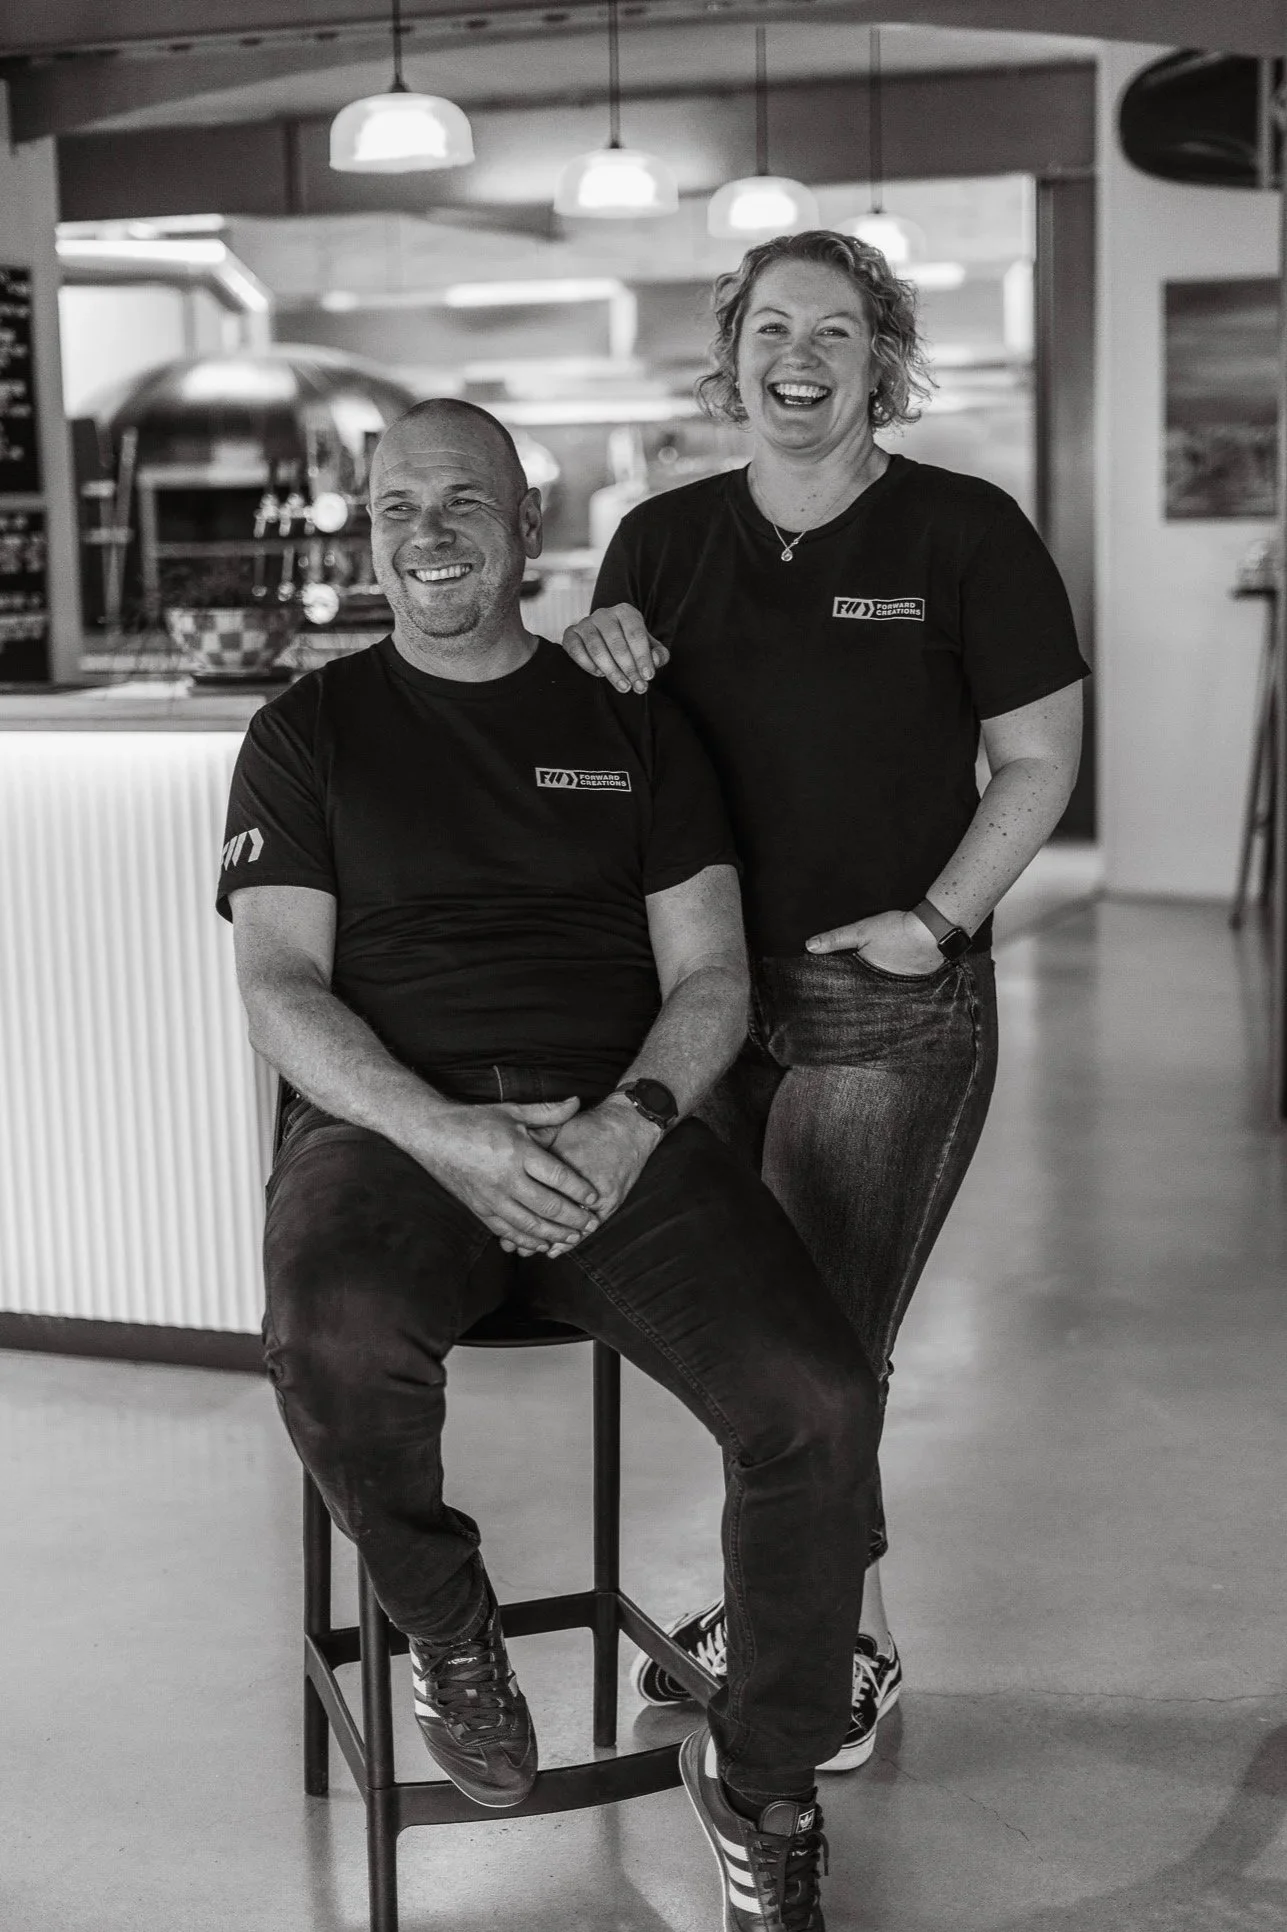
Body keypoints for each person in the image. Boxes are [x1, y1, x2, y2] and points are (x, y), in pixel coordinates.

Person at [217, 396, 879, 1931]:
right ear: (368, 530)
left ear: (527, 522)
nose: (426, 532)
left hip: (617, 1128)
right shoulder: (307, 730)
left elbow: (710, 973)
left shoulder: (627, 715)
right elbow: (280, 990)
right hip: (393, 1134)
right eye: (395, 507)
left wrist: (625, 1121)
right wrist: (444, 1134)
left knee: (819, 1400)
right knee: (328, 1338)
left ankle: (764, 1779)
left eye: (461, 501)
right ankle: (448, 1629)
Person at [561, 229, 1089, 1771]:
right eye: (771, 326)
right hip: (703, 997)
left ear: (881, 360)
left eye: (837, 331)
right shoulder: (657, 540)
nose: (800, 355)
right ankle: (784, 1602)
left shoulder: (960, 531)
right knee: (747, 1339)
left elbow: (1038, 758)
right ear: (727, 354)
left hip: (886, 1003)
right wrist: (589, 655)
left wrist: (937, 920)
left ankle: (833, 1648)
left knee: (821, 1345)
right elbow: (614, 767)